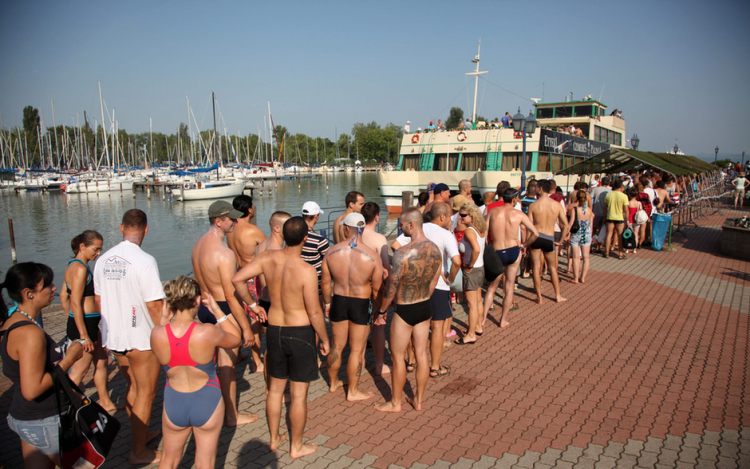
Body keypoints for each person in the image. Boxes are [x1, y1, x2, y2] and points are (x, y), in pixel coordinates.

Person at [233, 217, 330, 459]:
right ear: (305, 239)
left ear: (283, 236)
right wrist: (325, 339)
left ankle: (275, 438)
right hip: (300, 333)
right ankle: (296, 446)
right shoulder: (306, 270)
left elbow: (237, 279)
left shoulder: (267, 258)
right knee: (298, 395)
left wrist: (254, 305)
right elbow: (314, 311)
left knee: (275, 390)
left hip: (274, 329)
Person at [94, 208, 164, 464]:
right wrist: (166, 334)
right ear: (146, 229)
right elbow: (155, 305)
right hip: (141, 338)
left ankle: (140, 435)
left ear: (121, 228)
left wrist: (114, 325)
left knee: (132, 386)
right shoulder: (145, 260)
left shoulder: (104, 259)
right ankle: (138, 451)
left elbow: (99, 299)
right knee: (146, 392)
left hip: (115, 337)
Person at [150, 277, 241, 469]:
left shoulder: (157, 334)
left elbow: (161, 333)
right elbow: (235, 339)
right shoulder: (206, 332)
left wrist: (163, 319)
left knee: (168, 461)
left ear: (169, 304)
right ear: (198, 301)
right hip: (206, 399)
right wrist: (218, 312)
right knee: (205, 464)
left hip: (174, 401)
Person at [1, 263, 83, 468]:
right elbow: (32, 389)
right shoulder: (30, 334)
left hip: (26, 416)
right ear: (29, 293)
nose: (54, 288)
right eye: (47, 284)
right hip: (45, 419)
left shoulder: (12, 321)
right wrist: (69, 359)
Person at [191, 200, 258, 427]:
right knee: (227, 366)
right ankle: (231, 416)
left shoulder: (198, 245)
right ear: (218, 221)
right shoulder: (224, 254)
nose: (235, 221)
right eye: (231, 218)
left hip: (204, 307)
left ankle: (208, 409)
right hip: (223, 309)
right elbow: (231, 296)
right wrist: (246, 328)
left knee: (210, 364)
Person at [375, 209, 441, 412]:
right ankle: (418, 400)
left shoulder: (403, 253)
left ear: (411, 225)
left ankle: (396, 402)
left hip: (405, 309)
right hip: (424, 305)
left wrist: (382, 310)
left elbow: (392, 287)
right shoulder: (435, 249)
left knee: (397, 357)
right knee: (421, 354)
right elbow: (433, 281)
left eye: (402, 224)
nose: (400, 227)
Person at [321, 213, 383, 400]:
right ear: (361, 229)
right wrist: (378, 311)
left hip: (339, 299)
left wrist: (327, 303)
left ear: (346, 228)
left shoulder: (331, 252)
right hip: (361, 302)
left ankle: (333, 383)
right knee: (356, 349)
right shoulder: (372, 256)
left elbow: (325, 283)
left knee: (337, 346)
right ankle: (353, 391)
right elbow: (377, 289)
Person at [394, 202, 460, 377]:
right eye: (450, 217)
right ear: (442, 216)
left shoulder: (418, 227)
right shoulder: (446, 234)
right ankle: (435, 366)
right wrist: (450, 279)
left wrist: (408, 264)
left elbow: (394, 245)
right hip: (437, 285)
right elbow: (457, 261)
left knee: (410, 324)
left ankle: (411, 361)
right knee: (437, 327)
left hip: (415, 284)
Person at [63, 230, 117, 412]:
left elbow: (63, 295)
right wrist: (83, 335)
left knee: (102, 360)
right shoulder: (79, 269)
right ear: (82, 246)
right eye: (96, 249)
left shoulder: (75, 265)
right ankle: (65, 410)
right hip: (84, 327)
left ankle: (106, 402)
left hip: (88, 324)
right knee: (79, 371)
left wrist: (71, 320)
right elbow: (75, 303)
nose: (98, 253)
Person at [226, 195, 267, 373]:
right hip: (253, 278)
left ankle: (247, 356)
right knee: (257, 321)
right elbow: (267, 255)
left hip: (238, 276)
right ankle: (257, 362)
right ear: (249, 209)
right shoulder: (253, 231)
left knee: (246, 318)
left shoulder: (230, 230)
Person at [487, 188, 539, 327]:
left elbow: (484, 234)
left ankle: (481, 321)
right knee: (509, 286)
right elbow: (535, 233)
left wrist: (488, 247)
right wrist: (524, 245)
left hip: (497, 250)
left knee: (491, 288)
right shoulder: (519, 214)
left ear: (503, 198)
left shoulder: (492, 212)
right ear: (515, 199)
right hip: (513, 250)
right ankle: (502, 320)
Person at [254, 211, 292, 390]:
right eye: (288, 226)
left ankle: (271, 388)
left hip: (264, 301)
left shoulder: (260, 246)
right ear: (277, 228)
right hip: (277, 304)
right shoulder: (278, 252)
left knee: (271, 348)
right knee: (279, 350)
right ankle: (278, 390)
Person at [360, 202, 392, 375]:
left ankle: (360, 362)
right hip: (374, 286)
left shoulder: (353, 235)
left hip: (357, 286)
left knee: (361, 326)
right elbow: (385, 267)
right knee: (378, 324)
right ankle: (379, 365)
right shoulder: (379, 239)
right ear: (377, 217)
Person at [528, 180, 569, 304]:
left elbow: (530, 225)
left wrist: (526, 242)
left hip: (536, 236)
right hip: (549, 237)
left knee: (536, 267)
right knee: (552, 268)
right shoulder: (556, 205)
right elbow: (566, 225)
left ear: (540, 189)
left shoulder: (533, 205)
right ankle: (557, 295)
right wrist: (560, 240)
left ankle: (539, 297)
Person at [455, 203, 487, 345]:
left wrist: (469, 265)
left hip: (473, 269)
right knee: (478, 300)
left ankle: (471, 334)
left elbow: (477, 249)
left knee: (471, 303)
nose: (460, 217)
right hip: (480, 268)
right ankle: (478, 326)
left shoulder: (469, 231)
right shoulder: (480, 228)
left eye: (463, 215)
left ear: (471, 215)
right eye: (460, 214)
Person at [567, 190, 594, 283]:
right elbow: (591, 225)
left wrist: (566, 233)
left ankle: (575, 278)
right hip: (587, 234)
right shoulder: (590, 210)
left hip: (576, 234)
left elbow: (571, 223)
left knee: (576, 257)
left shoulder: (575, 210)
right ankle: (583, 278)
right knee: (586, 257)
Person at [604, 179, 630, 259]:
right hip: (619, 217)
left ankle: (606, 252)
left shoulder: (608, 195)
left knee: (609, 234)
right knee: (620, 235)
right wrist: (627, 220)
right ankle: (620, 253)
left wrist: (604, 218)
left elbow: (605, 208)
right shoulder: (624, 196)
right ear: (621, 186)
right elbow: (626, 210)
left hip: (610, 216)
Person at [627, 188, 644, 253]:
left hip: (630, 220)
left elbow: (627, 212)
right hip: (637, 220)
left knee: (629, 234)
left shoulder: (628, 203)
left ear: (630, 195)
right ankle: (634, 249)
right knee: (636, 234)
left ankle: (627, 248)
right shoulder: (639, 203)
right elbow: (641, 211)